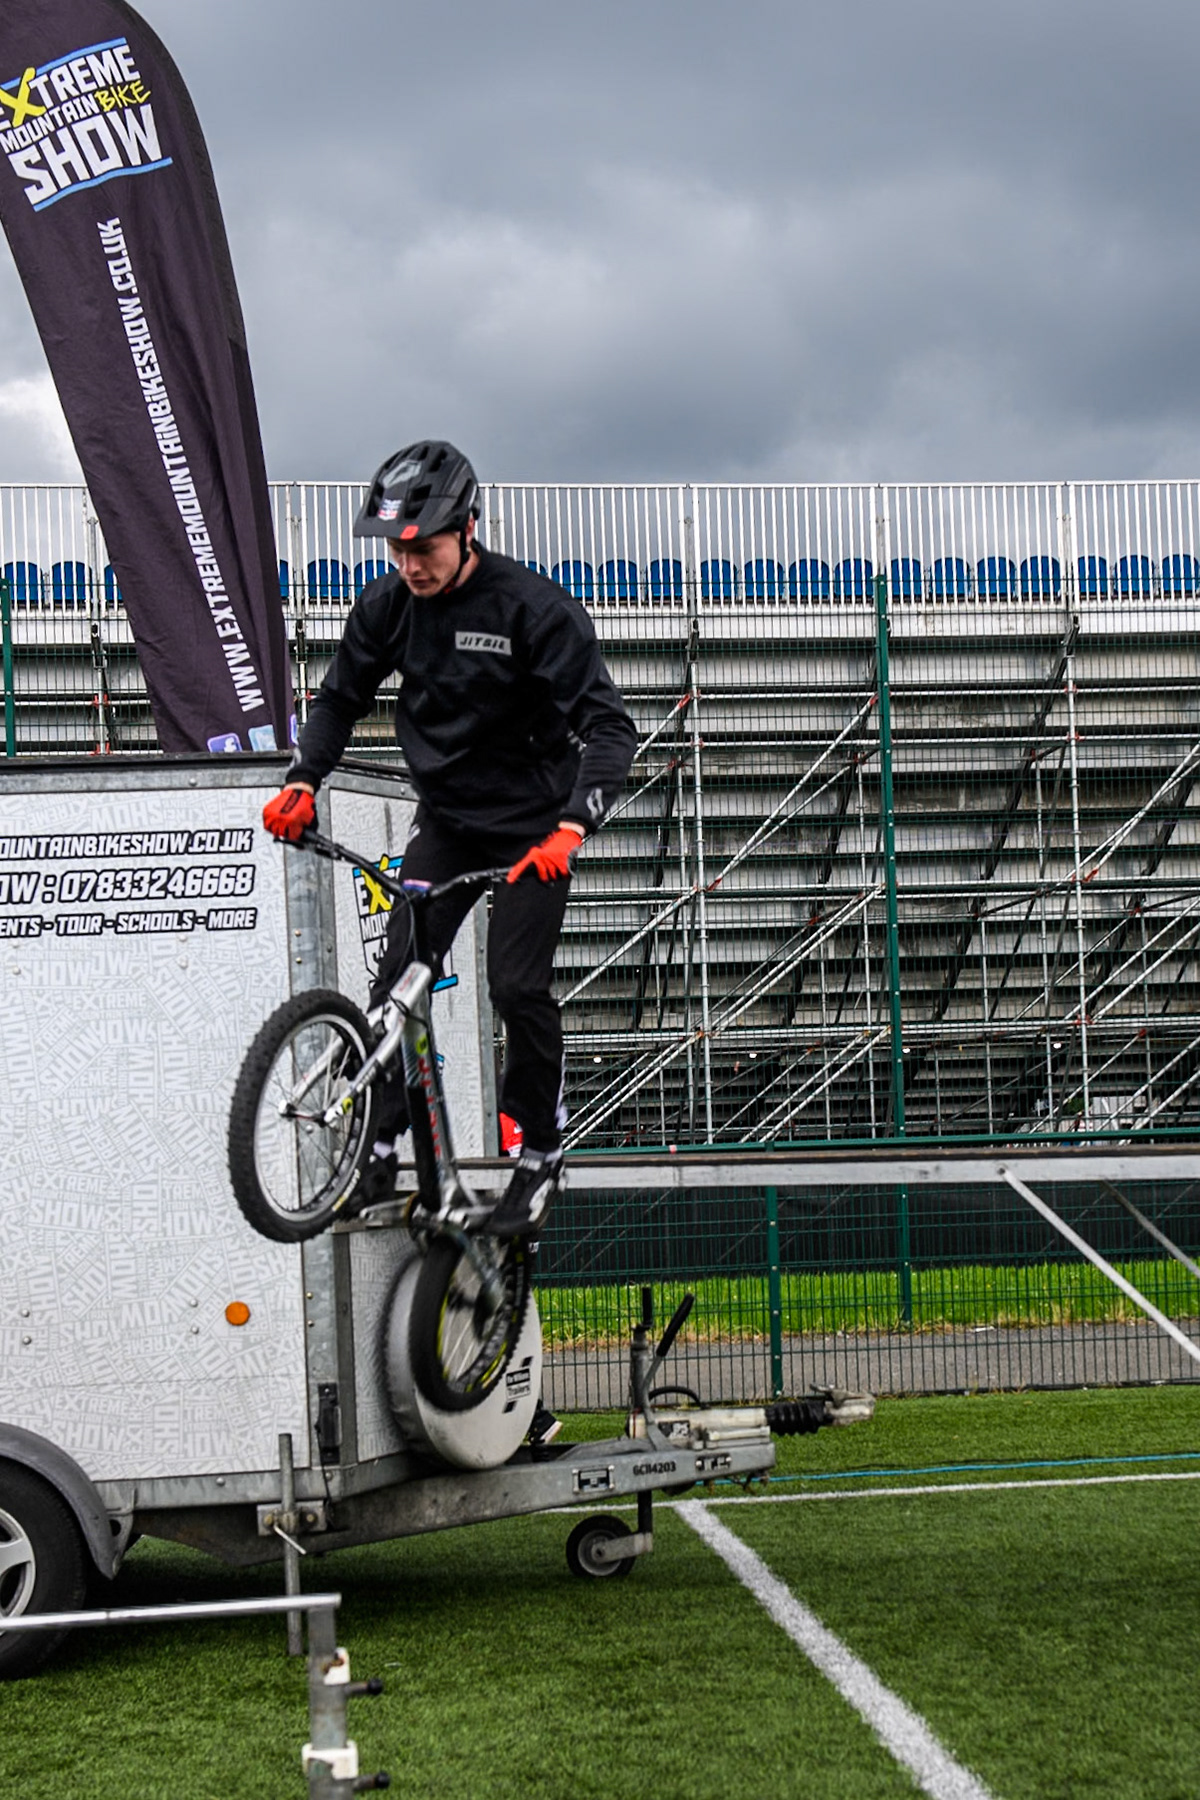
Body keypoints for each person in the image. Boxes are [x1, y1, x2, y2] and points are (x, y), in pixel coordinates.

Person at [262, 440, 637, 1245]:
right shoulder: (387, 607)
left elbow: (609, 729)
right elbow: (336, 700)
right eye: (397, 548)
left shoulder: (534, 609)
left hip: (536, 831)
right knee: (395, 985)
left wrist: (573, 828)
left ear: (468, 527)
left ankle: (539, 1151)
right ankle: (385, 1145)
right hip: (449, 824)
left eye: (423, 546)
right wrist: (303, 778)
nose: (410, 564)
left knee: (515, 988)